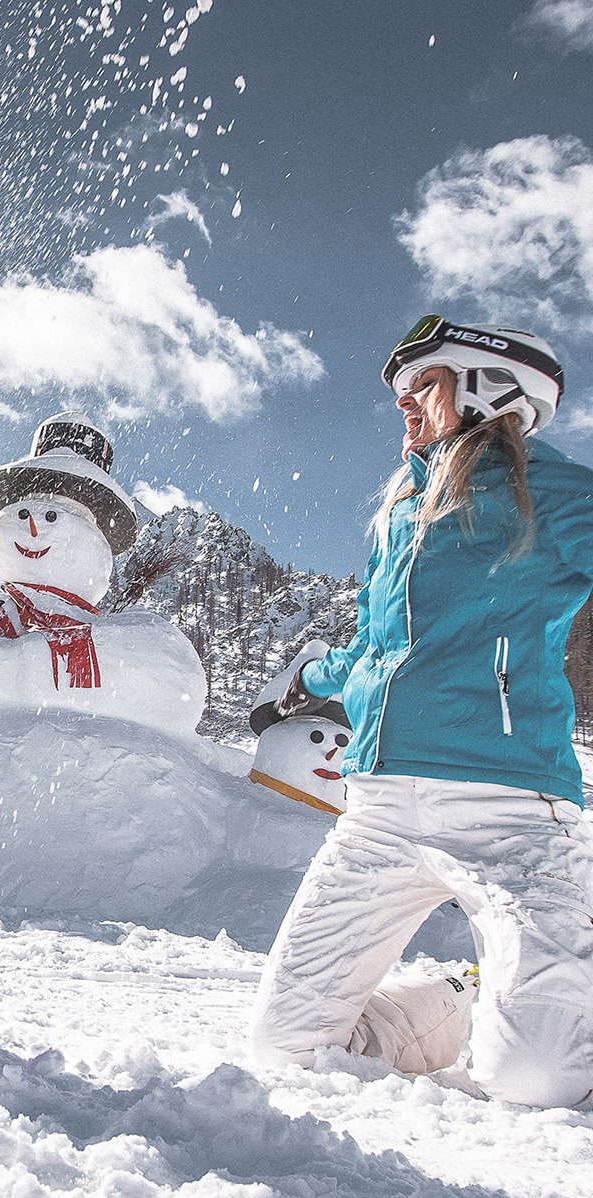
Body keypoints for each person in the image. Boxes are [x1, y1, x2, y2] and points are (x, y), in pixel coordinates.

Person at [250, 315, 593, 1108]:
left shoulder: (553, 488)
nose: (404, 405)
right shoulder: (400, 509)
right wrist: (315, 675)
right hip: (377, 810)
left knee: (537, 1082)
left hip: (508, 805)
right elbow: (381, 643)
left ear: (488, 389)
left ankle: (546, 1011)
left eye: (423, 386)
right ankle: (464, 996)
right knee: (286, 1048)